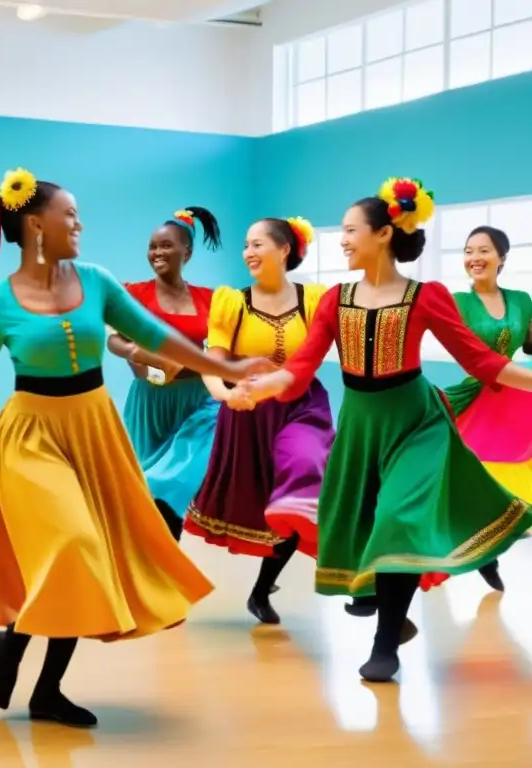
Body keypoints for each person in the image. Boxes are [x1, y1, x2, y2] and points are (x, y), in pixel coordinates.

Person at [0, 167, 272, 728]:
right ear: (36, 225)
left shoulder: (97, 281)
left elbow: (159, 339)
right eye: (70, 215)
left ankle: (44, 687)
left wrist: (226, 365)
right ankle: (11, 642)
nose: (79, 223)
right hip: (30, 436)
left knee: (90, 560)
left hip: (94, 429)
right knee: (74, 545)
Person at [235, 178, 532, 683]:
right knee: (363, 528)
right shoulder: (335, 300)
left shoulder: (426, 296)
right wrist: (257, 388)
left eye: (351, 230)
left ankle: (384, 645)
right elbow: (301, 368)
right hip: (361, 426)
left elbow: (484, 363)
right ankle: (391, 617)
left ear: (385, 232)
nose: (344, 239)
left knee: (397, 519)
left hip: (417, 423)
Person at [184, 216, 334, 625]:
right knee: (268, 507)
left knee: (302, 484)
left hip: (303, 407)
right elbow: (210, 364)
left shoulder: (317, 299)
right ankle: (261, 590)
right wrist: (226, 394)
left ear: (284, 250)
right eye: (246, 245)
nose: (248, 252)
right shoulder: (232, 301)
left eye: (257, 244)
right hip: (249, 413)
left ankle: (349, 580)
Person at [106, 206, 222, 539]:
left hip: (199, 401)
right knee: (144, 493)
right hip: (149, 403)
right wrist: (135, 352)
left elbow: (219, 348)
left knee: (174, 483)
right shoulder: (133, 295)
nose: (157, 252)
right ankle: (153, 569)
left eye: (166, 245)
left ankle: (166, 570)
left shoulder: (209, 299)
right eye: (153, 246)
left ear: (187, 251)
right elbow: (114, 339)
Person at [442, 226, 531, 592]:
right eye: (468, 251)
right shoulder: (455, 302)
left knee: (510, 477)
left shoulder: (523, 300)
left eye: (484, 250)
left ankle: (494, 547)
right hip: (472, 395)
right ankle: (478, 556)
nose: (474, 258)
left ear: (502, 259)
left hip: (512, 397)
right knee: (462, 479)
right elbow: (469, 357)